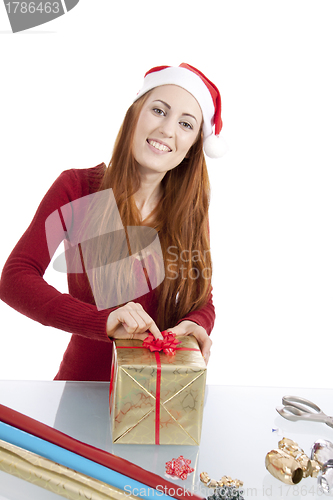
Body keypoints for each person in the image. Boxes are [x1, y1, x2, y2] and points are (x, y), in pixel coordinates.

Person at [0, 63, 225, 381]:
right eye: (159, 111)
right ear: (136, 114)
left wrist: (198, 323)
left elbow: (203, 296)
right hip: (81, 391)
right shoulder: (77, 188)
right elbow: (15, 279)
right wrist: (102, 321)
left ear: (191, 149)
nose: (167, 130)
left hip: (162, 397)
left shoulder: (190, 212)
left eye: (186, 124)